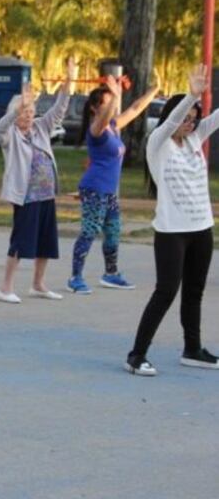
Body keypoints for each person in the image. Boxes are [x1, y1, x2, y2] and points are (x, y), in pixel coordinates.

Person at [125, 65, 219, 376]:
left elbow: (214, 120)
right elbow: (173, 122)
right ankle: (137, 355)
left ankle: (192, 349)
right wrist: (192, 93)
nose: (191, 124)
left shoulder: (193, 140)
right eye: (186, 119)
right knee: (166, 291)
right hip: (171, 233)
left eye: (195, 119)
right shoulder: (158, 143)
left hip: (201, 228)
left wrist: (199, 106)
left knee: (195, 291)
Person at [68, 70, 160, 294]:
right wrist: (116, 95)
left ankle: (111, 274)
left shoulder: (113, 127)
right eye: (107, 103)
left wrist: (154, 89)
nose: (113, 106)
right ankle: (75, 277)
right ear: (94, 108)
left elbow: (136, 108)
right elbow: (107, 114)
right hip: (94, 188)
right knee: (90, 231)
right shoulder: (96, 130)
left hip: (108, 191)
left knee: (113, 230)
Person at [0, 57, 76, 303]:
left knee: (46, 241)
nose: (29, 116)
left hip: (46, 195)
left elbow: (59, 109)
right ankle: (5, 288)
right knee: (20, 241)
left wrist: (69, 80)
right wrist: (18, 109)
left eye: (31, 111)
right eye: (24, 112)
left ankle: (38, 284)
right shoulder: (10, 136)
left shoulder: (41, 128)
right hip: (25, 196)